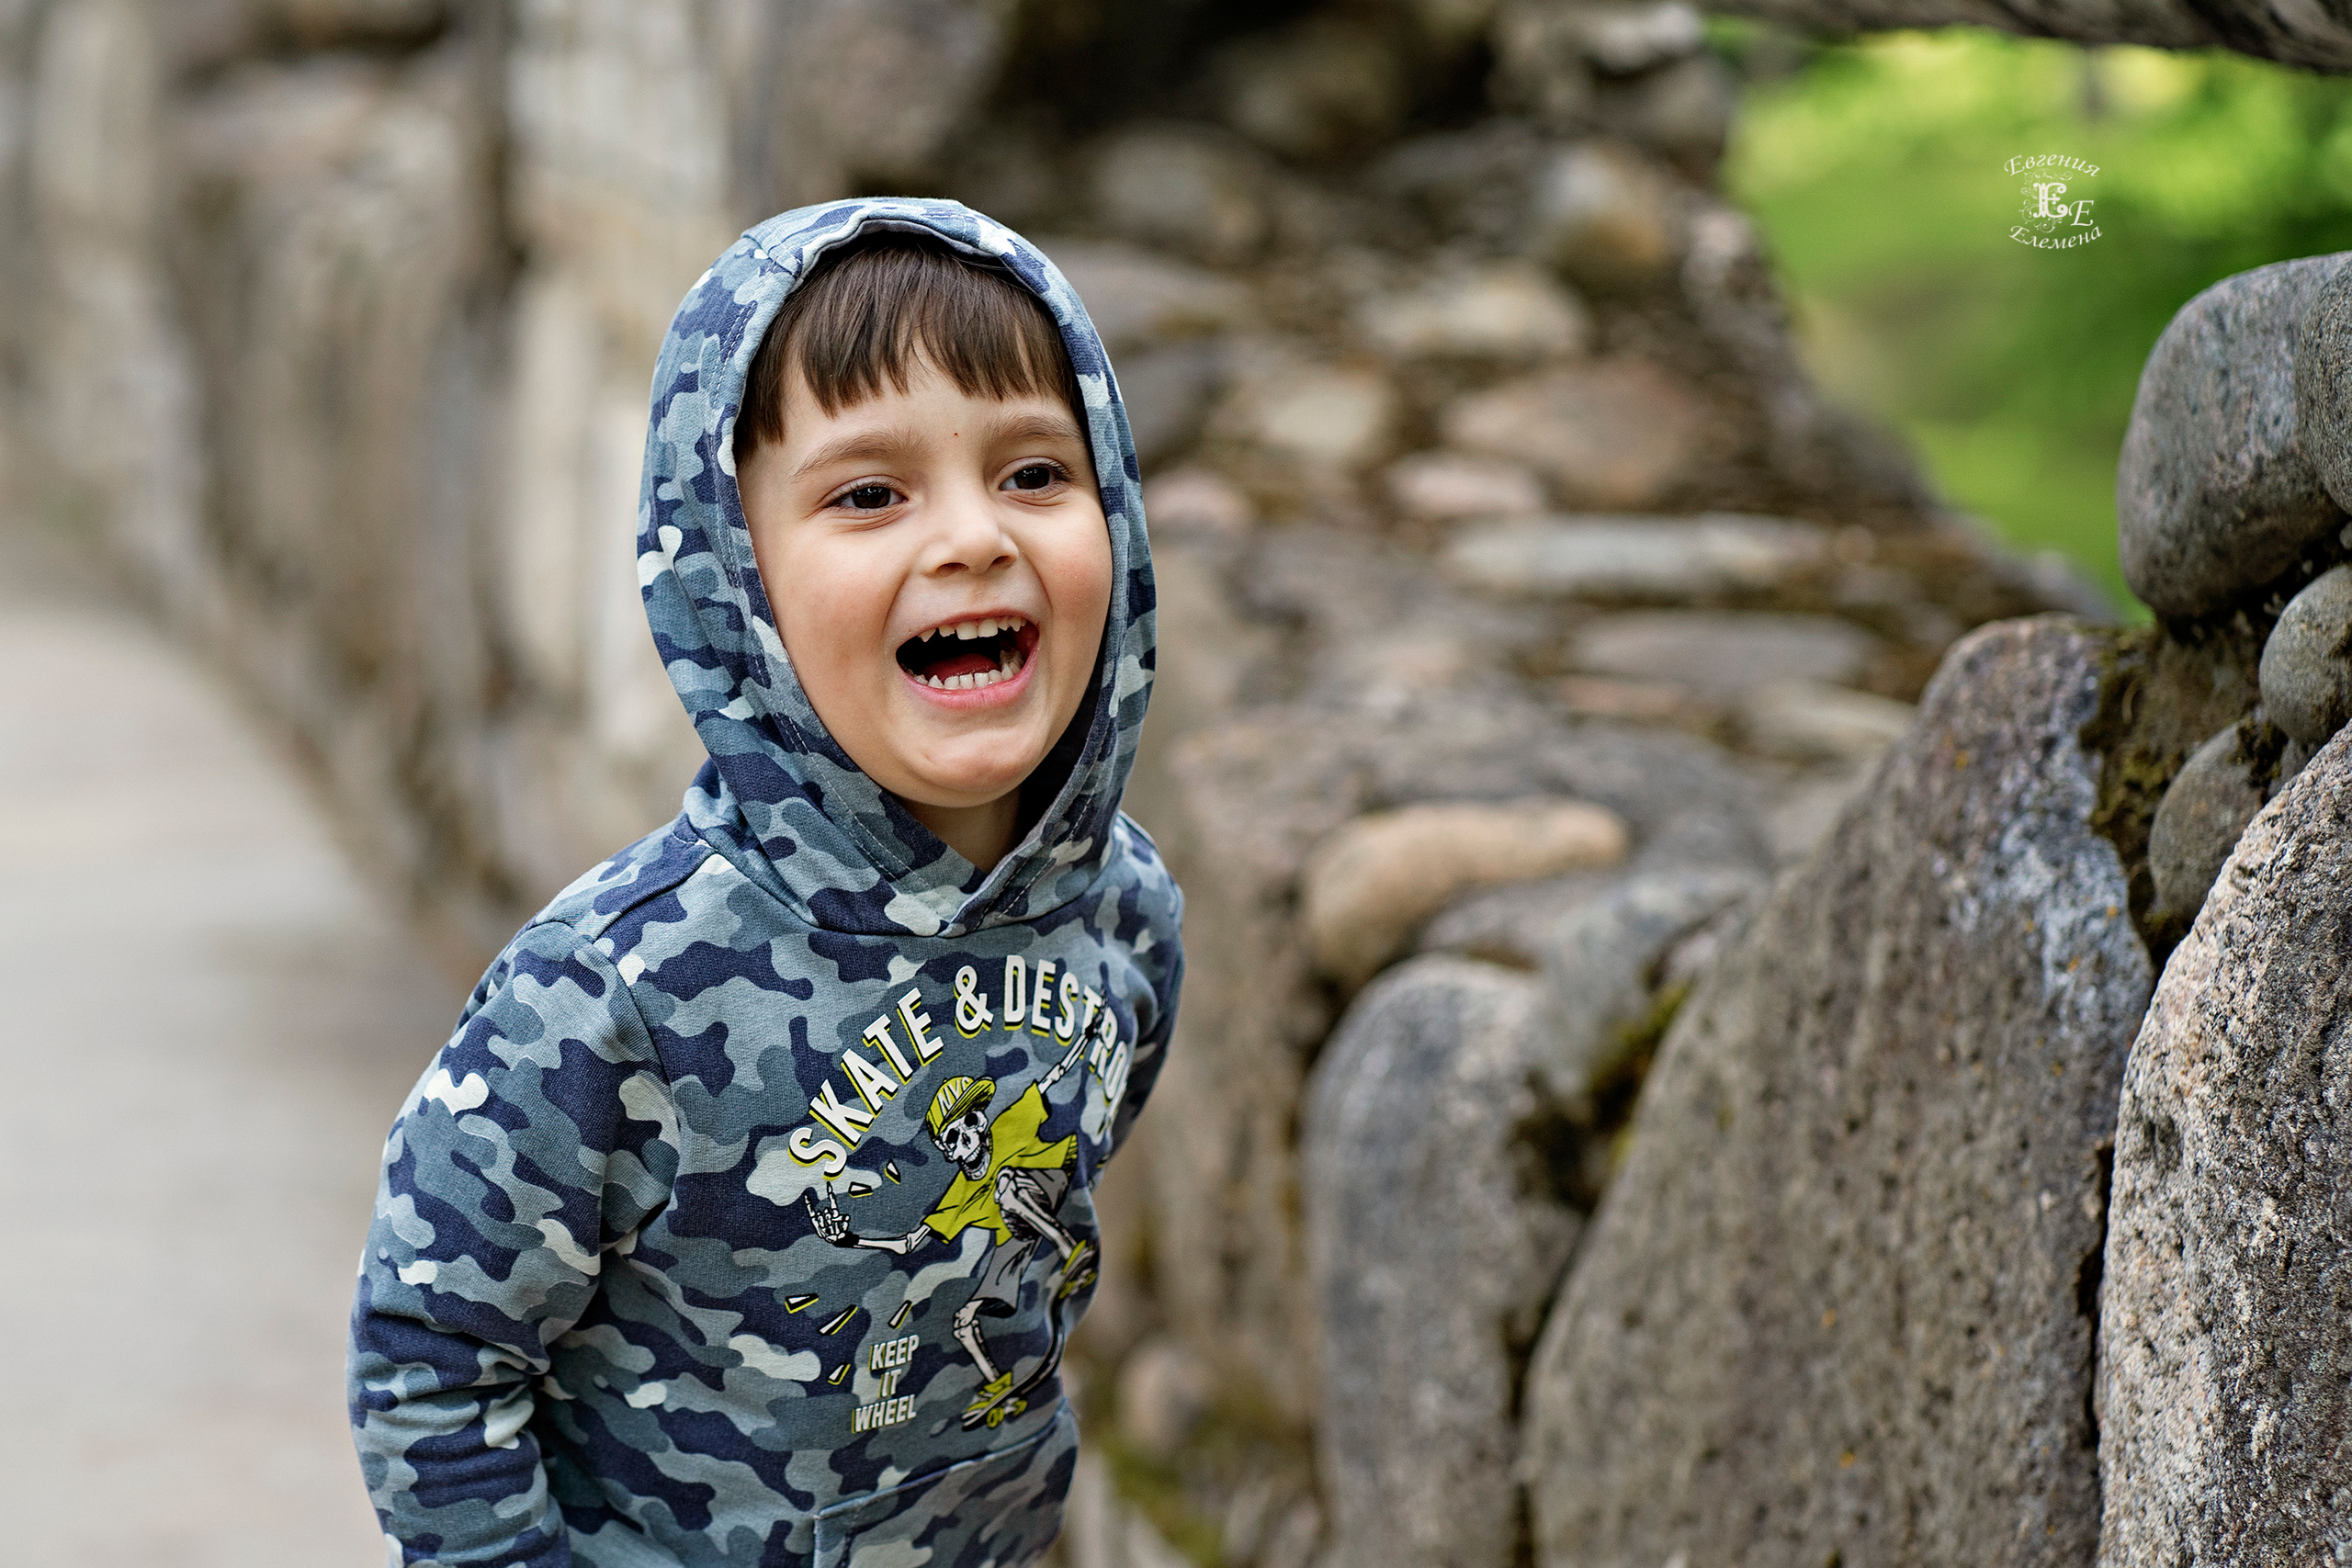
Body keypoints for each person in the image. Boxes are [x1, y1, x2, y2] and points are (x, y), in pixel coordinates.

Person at [346, 199, 1184, 1568]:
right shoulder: (609, 993)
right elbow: (429, 1360)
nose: (973, 537)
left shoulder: (1126, 914)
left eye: (1035, 473)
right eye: (869, 495)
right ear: (737, 579)